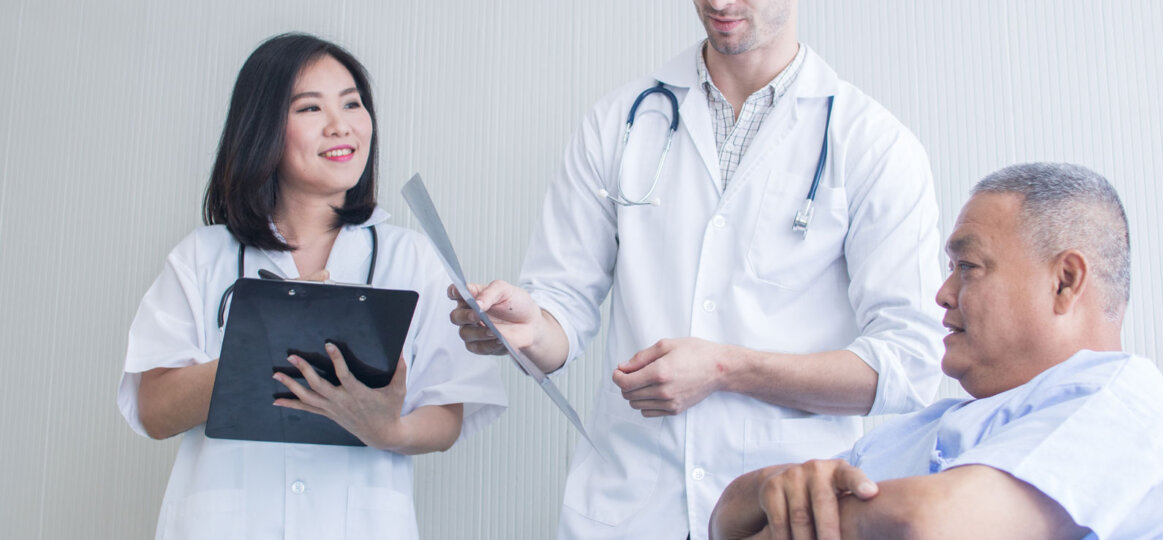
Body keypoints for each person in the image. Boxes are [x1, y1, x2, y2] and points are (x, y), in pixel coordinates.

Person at [448, 1, 944, 537]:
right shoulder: (620, 120)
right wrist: (530, 326)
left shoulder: (873, 143)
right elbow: (560, 312)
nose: (720, 3)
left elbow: (910, 363)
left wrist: (727, 369)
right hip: (630, 505)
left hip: (783, 514)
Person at [117, 33, 506, 540]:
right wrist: (263, 342)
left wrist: (388, 430)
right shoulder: (202, 256)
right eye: (309, 108)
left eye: (352, 103)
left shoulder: (410, 257)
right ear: (262, 130)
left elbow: (448, 413)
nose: (341, 125)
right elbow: (154, 410)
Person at [709, 163, 1163, 540]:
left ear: (1064, 281)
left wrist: (799, 514)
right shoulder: (920, 429)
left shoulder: (1126, 402)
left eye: (967, 267)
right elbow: (727, 520)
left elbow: (928, 524)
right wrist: (773, 486)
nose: (943, 293)